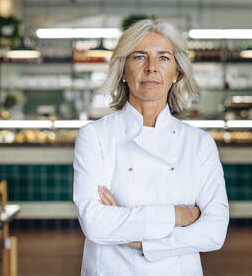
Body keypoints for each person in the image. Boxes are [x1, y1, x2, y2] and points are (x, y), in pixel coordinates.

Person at [73, 19, 229, 276]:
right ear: (123, 71)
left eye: (164, 58)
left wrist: (137, 240)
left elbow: (214, 232)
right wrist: (177, 217)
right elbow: (95, 224)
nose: (151, 68)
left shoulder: (200, 144)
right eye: (139, 57)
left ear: (177, 72)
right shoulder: (95, 136)